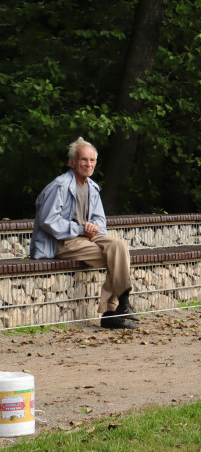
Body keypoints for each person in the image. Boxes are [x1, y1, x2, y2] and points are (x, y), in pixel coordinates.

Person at [31, 138, 138, 329]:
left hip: (87, 239)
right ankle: (114, 310)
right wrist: (80, 229)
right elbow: (48, 220)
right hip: (64, 242)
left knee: (119, 247)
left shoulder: (93, 187)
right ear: (72, 162)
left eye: (92, 160)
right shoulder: (60, 186)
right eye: (83, 160)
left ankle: (122, 304)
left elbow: (100, 221)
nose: (88, 164)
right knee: (117, 258)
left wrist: (93, 228)